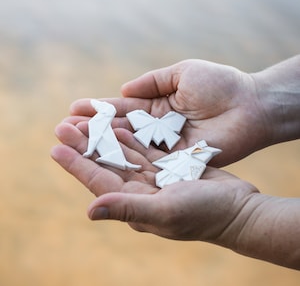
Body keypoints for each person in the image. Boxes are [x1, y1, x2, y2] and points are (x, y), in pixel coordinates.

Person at [51, 55, 300, 270]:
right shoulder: (155, 136)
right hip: (165, 150)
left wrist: (240, 219)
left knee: (157, 160)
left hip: (169, 153)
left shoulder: (185, 150)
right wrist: (256, 97)